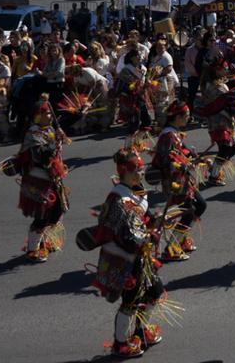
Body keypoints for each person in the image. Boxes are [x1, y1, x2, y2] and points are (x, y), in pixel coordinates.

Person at [90, 148, 167, 359]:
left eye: (141, 170)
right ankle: (120, 343)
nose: (140, 174)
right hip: (126, 259)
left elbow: (144, 218)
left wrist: (156, 221)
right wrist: (148, 236)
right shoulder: (118, 200)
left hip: (141, 255)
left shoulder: (136, 191)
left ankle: (140, 331)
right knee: (130, 302)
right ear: (123, 171)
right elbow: (127, 236)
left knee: (155, 292)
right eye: (135, 170)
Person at [11, 96, 70, 262]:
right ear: (37, 116)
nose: (50, 116)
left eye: (50, 113)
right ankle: (32, 249)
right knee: (42, 215)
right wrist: (54, 143)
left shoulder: (49, 129)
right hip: (38, 179)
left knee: (59, 209)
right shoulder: (33, 134)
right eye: (45, 113)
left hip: (53, 178)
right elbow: (41, 158)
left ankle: (45, 240)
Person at [150, 101, 207, 262]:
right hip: (175, 182)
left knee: (200, 205)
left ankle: (180, 239)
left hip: (183, 179)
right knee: (188, 211)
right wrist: (186, 164)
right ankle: (171, 248)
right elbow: (165, 160)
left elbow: (184, 151)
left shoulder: (174, 133)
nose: (188, 119)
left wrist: (197, 158)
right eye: (187, 116)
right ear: (178, 117)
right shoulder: (168, 135)